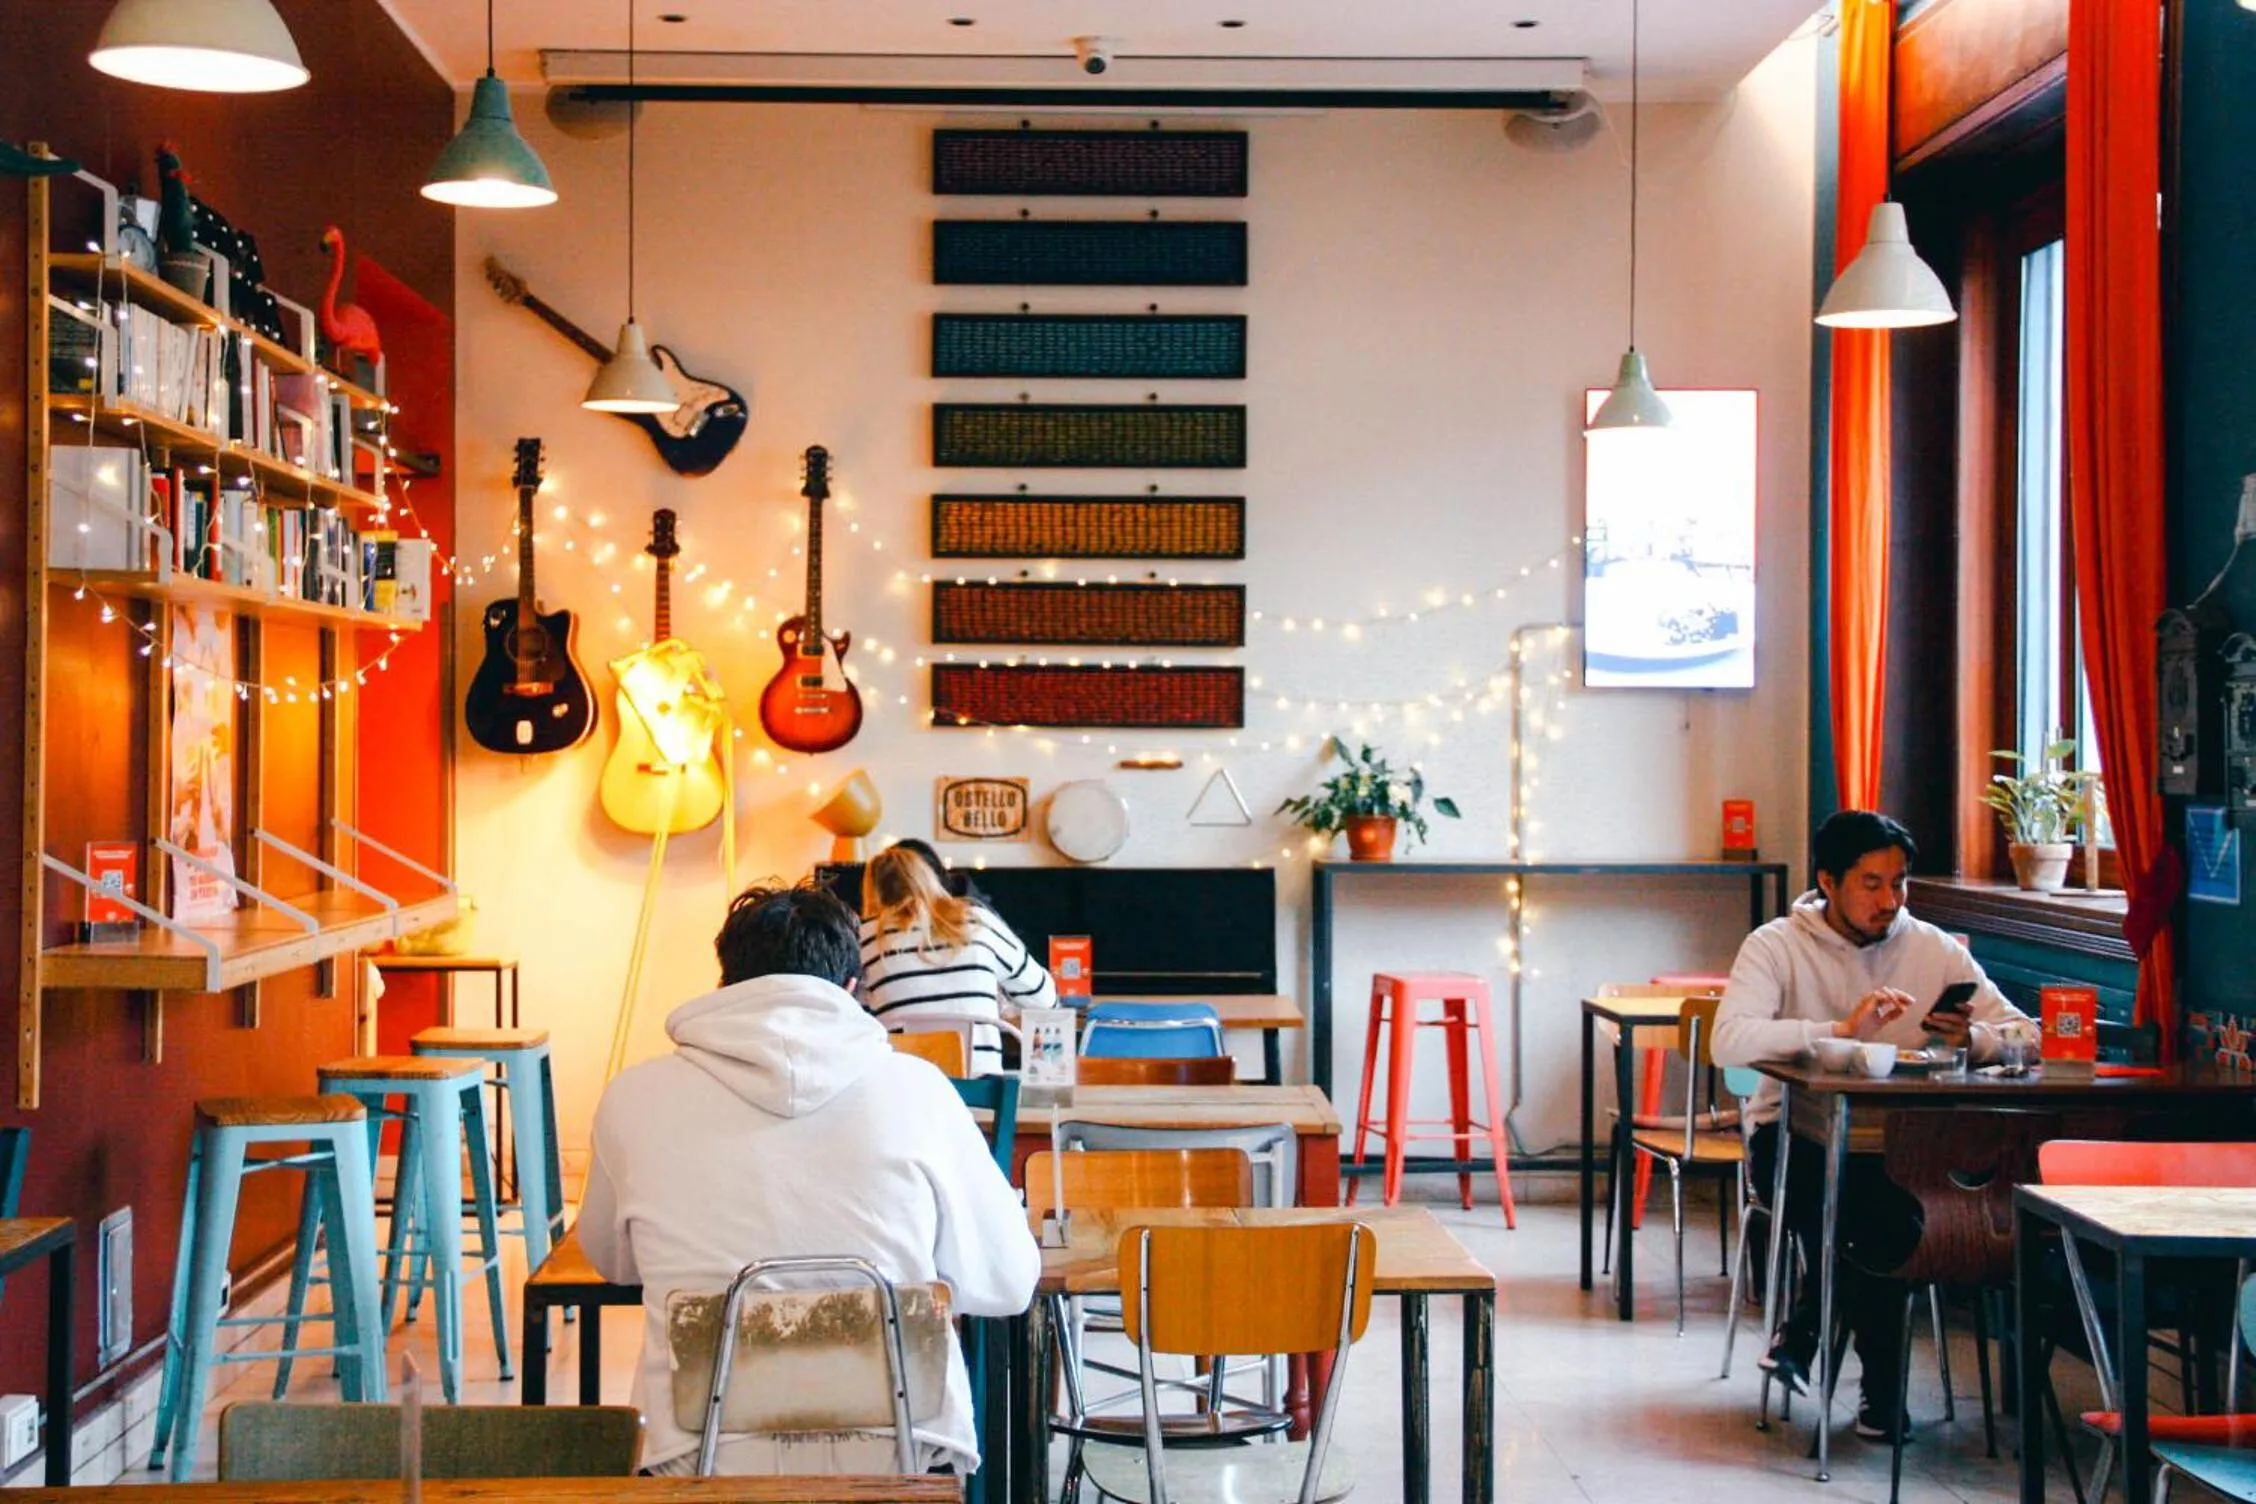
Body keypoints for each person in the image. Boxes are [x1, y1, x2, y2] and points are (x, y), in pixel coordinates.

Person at [579, 881, 1039, 1476]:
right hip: (897, 1451)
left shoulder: (633, 1096)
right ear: (853, 988)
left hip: (696, 1459)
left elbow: (613, 1263)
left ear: (726, 982)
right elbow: (1006, 1284)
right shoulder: (920, 1090)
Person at [1711, 809, 2032, 1443]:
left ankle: (1807, 1327)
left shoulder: (1933, 948)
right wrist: (1838, 1031)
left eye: (1900, 883)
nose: (1890, 901)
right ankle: (1882, 1399)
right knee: (1882, 1216)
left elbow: (2032, 1035)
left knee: (1881, 1208)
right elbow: (1728, 1040)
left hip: (1908, 1148)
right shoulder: (1776, 944)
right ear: (1828, 882)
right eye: (1871, 883)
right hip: (1792, 1136)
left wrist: (1979, 1038)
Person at [860, 844, 1057, 1075]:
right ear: (930, 879)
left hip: (905, 1092)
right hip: (984, 1095)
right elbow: (1045, 998)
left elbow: (856, 1021)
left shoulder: (864, 937)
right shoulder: (977, 921)